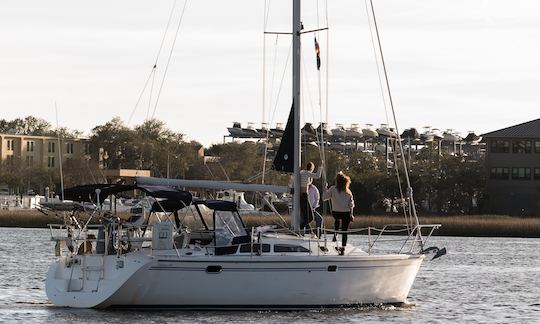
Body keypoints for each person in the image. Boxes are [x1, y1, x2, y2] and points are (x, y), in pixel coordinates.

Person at [323, 172, 354, 255]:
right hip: (346, 213)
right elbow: (351, 205)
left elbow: (324, 198)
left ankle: (335, 234)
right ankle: (343, 248)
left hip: (335, 213)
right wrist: (351, 214)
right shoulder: (348, 192)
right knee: (344, 231)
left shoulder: (333, 189)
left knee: (337, 220)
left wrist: (325, 189)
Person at [299, 161, 323, 229]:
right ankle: (300, 227)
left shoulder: (301, 173)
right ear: (311, 168)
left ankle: (301, 228)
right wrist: (320, 166)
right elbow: (317, 176)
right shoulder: (306, 173)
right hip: (304, 196)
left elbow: (308, 182)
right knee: (310, 218)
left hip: (300, 196)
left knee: (305, 216)